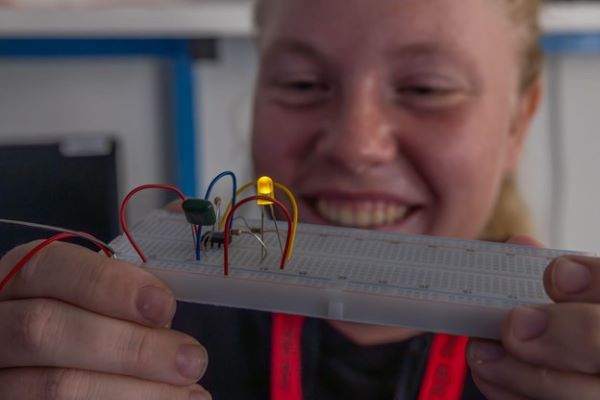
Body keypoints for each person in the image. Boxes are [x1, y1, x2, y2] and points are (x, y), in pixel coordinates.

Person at [1, 0, 599, 398]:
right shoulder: (137, 333)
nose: (355, 145)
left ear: (520, 122)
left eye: (425, 88)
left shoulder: (564, 364)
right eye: (302, 84)